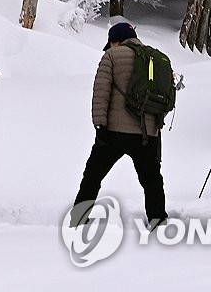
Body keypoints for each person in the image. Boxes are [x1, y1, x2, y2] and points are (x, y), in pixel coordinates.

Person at [71, 21, 168, 228]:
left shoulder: (111, 56)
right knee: (151, 179)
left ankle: (79, 217)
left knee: (93, 175)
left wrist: (99, 125)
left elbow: (101, 93)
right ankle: (158, 219)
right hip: (147, 133)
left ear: (115, 41)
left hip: (114, 132)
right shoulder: (153, 57)